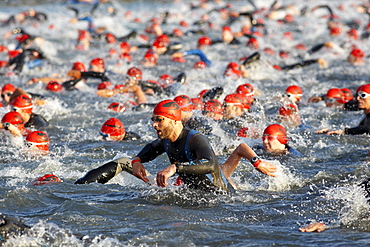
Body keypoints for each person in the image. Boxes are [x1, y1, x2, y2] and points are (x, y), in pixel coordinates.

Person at [75, 100, 277, 193]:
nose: (154, 125)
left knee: (223, 174)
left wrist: (175, 168)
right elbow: (150, 149)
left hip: (218, 198)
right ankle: (79, 190)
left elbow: (209, 165)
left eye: (158, 120)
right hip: (193, 192)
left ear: (173, 120)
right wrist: (136, 161)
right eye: (153, 120)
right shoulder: (166, 140)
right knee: (122, 161)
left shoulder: (195, 139)